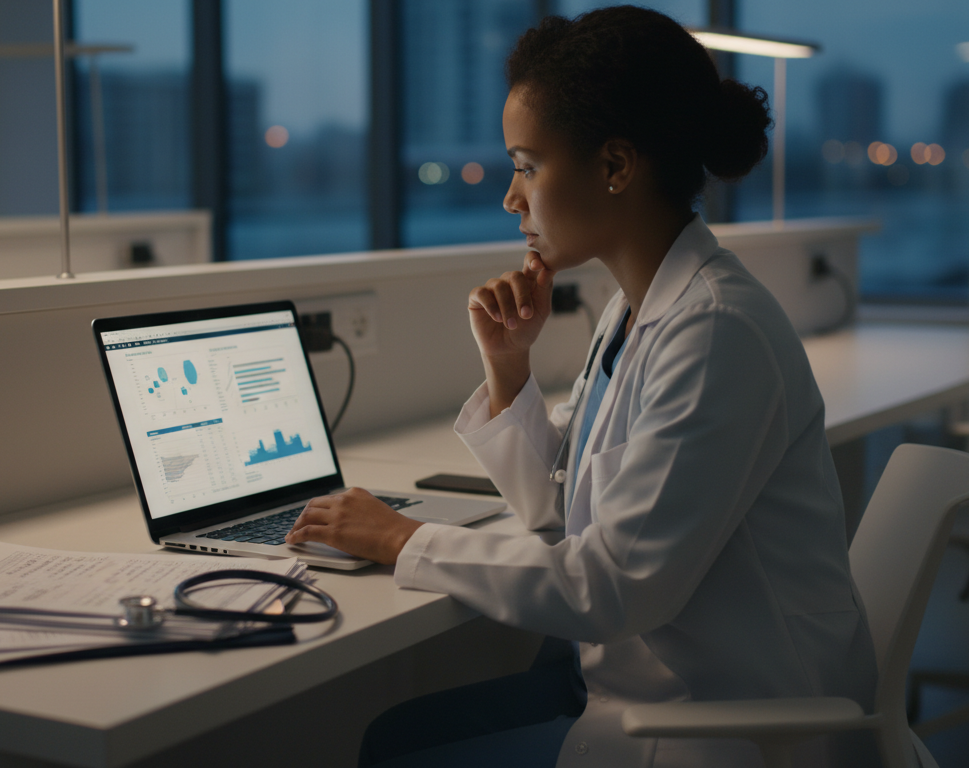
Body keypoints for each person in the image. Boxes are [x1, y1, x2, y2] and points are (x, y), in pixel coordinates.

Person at [286, 6, 879, 766]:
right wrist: (508, 369)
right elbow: (568, 514)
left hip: (717, 722)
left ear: (615, 166)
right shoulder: (635, 309)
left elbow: (611, 587)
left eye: (528, 165)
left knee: (397, 751)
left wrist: (401, 537)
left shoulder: (714, 332)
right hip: (639, 680)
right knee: (395, 737)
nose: (512, 196)